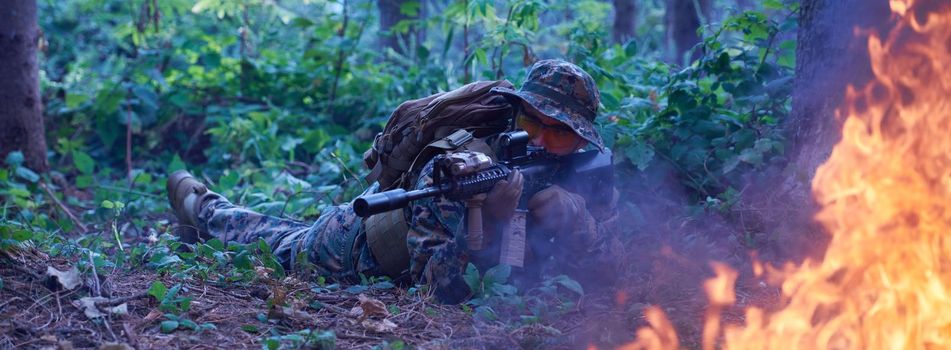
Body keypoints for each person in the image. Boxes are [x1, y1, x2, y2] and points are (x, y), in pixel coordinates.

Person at [166, 59, 620, 303]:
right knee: (277, 246)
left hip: (379, 236)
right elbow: (438, 290)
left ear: (581, 140)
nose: (539, 138)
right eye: (529, 120)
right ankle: (200, 207)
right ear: (514, 111)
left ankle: (202, 205)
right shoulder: (464, 166)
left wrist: (581, 221)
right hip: (355, 249)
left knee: (279, 232)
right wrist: (496, 219)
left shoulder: (582, 174)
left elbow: (610, 267)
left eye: (558, 131)